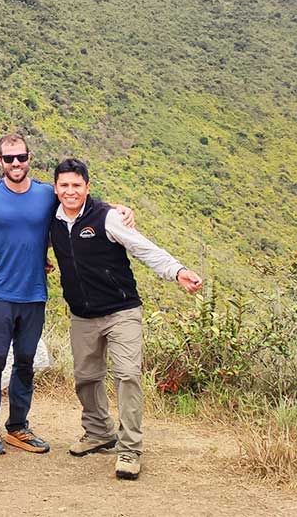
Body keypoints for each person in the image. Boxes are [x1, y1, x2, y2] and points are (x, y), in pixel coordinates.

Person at [0, 134, 135, 455]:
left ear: (29, 158)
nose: (16, 163)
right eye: (9, 158)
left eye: (21, 157)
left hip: (34, 294)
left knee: (26, 362)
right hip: (1, 292)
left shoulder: (47, 194)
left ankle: (18, 427)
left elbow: (83, 204)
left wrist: (119, 209)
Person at [48, 158, 203, 480]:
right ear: (55, 188)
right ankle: (99, 432)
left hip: (121, 311)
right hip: (82, 314)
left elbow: (143, 248)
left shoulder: (106, 217)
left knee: (128, 375)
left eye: (77, 185)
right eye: (64, 185)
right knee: (86, 377)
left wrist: (178, 271)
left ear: (87, 188)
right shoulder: (52, 219)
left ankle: (130, 449)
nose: (70, 191)